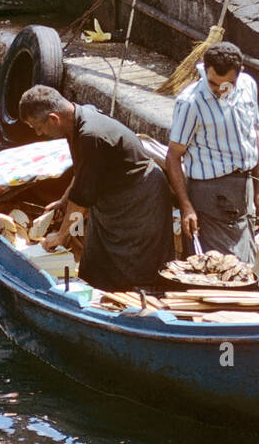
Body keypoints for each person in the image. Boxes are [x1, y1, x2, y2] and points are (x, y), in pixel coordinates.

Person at [18, 87, 174, 291]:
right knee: (95, 263)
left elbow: (81, 203)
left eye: (37, 127)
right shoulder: (75, 119)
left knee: (134, 266)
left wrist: (61, 236)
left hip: (140, 200)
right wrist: (64, 200)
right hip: (112, 196)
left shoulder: (91, 135)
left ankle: (132, 307)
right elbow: (83, 175)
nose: (39, 133)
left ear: (53, 118)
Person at [165, 42, 259, 265]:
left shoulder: (249, 86)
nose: (218, 90)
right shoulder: (190, 102)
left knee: (245, 268)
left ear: (237, 77)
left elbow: (253, 136)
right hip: (210, 196)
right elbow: (173, 157)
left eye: (226, 85)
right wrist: (186, 206)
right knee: (217, 269)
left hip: (245, 190)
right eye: (212, 83)